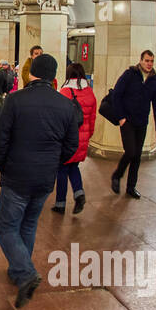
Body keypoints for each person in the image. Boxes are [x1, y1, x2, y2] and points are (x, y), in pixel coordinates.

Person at [0, 54, 81, 307]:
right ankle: (19, 270)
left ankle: (26, 273)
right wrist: (52, 164)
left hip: (17, 176)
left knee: (6, 227)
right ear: (54, 77)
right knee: (28, 225)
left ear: (32, 74)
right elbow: (71, 145)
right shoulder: (66, 105)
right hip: (44, 179)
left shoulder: (16, 101)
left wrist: (4, 167)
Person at [108, 49, 156, 199]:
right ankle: (117, 175)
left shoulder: (154, 80)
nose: (149, 64)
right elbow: (117, 95)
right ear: (141, 60)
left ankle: (131, 187)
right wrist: (121, 117)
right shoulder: (129, 75)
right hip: (127, 121)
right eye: (147, 61)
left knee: (137, 156)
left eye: (151, 61)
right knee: (130, 151)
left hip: (141, 122)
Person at [54, 61, 97, 214]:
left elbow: (58, 118)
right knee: (73, 167)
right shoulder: (90, 92)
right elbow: (92, 118)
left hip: (67, 139)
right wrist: (88, 135)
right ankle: (79, 193)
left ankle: (60, 204)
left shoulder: (65, 92)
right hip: (82, 139)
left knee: (62, 169)